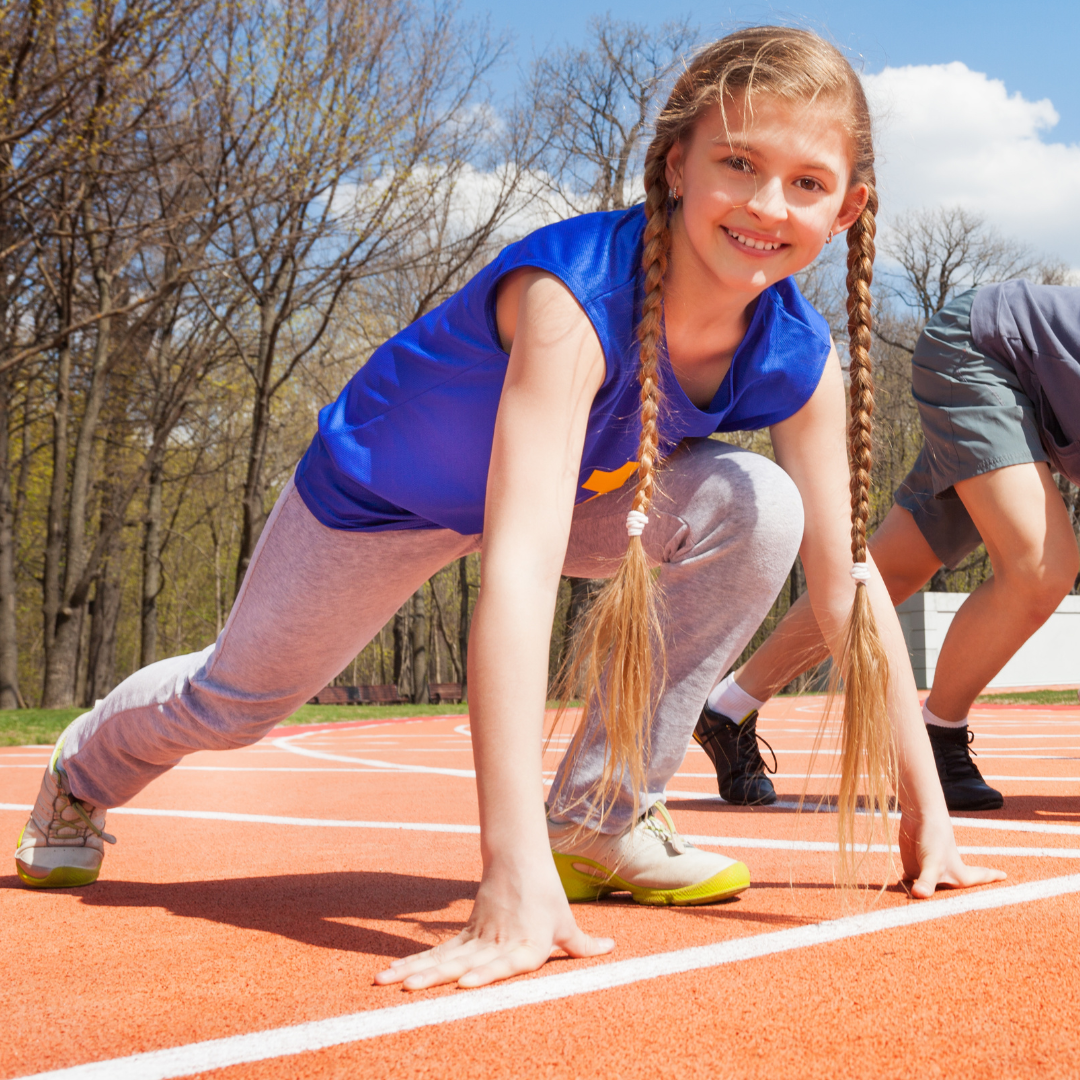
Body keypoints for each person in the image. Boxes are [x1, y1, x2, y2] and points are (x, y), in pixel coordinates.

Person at [14, 28, 1003, 992]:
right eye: (737, 162)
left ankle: (599, 816)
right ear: (674, 167)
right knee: (231, 707)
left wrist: (926, 808)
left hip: (581, 501)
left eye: (806, 183)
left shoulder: (798, 356)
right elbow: (521, 573)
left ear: (847, 209)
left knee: (759, 507)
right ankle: (82, 768)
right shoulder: (570, 298)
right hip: (383, 498)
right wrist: (507, 877)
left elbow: (846, 583)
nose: (764, 203)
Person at [698, 282, 1080, 812]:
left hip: (1028, 394)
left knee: (885, 574)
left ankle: (728, 707)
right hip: (983, 351)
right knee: (1041, 568)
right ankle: (938, 734)